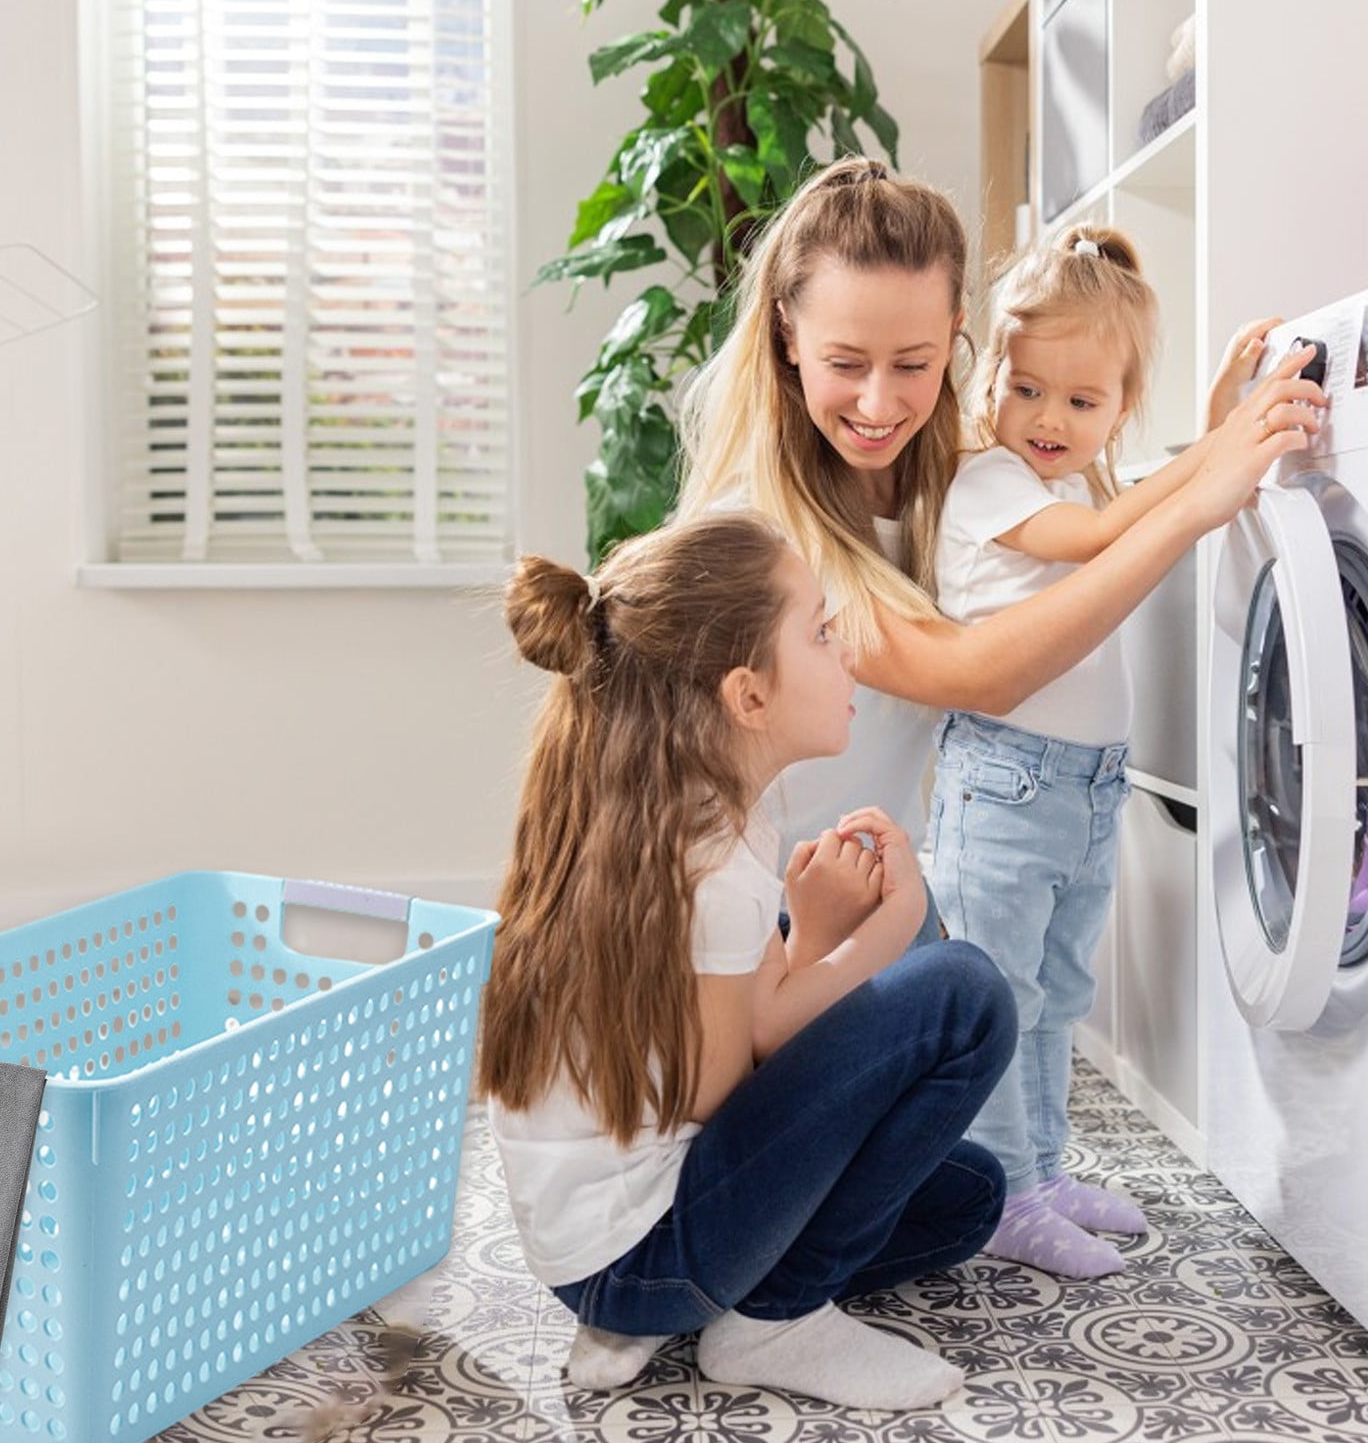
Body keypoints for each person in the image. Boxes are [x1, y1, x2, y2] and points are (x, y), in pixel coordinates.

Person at [482, 513, 1017, 1411]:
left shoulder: (694, 819)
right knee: (961, 992)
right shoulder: (707, 861)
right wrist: (888, 926)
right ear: (748, 696)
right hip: (638, 1252)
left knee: (966, 1197)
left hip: (627, 1241)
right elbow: (727, 1086)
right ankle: (773, 1319)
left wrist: (813, 936)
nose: (843, 644)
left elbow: (733, 1044)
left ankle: (660, 1320)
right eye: (817, 629)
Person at [677, 156, 1325, 868]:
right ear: (786, 337)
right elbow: (978, 673)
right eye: (847, 363)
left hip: (877, 904)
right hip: (759, 924)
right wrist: (1201, 496)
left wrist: (1211, 442)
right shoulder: (760, 535)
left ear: (957, 335)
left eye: (913, 364)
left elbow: (1092, 506)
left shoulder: (959, 478)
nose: (878, 403)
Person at [923, 225, 1306, 1277]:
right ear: (990, 377)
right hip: (1004, 782)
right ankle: (996, 1190)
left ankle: (1037, 1171)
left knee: (1055, 991)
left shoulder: (1079, 483)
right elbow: (1104, 544)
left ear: (1118, 410)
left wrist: (1216, 424)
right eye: (1027, 388)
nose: (1049, 419)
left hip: (1080, 791)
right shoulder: (989, 481)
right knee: (1002, 997)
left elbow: (1124, 503)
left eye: (1083, 403)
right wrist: (1213, 466)